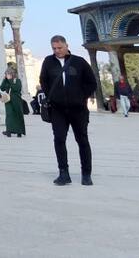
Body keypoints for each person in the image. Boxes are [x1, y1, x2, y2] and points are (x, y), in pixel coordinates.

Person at [39, 35, 97, 186]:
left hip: (78, 109)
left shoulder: (79, 62)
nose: (57, 51)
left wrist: (80, 96)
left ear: (66, 46)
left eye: (59, 48)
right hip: (58, 109)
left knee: (82, 140)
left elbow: (91, 82)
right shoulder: (48, 62)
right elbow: (43, 80)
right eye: (54, 48)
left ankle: (86, 174)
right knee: (59, 139)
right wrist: (54, 96)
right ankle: (63, 173)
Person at [0, 69, 25, 137]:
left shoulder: (17, 80)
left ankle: (19, 131)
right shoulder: (7, 81)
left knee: (17, 114)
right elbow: (2, 88)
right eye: (6, 74)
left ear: (12, 74)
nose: (6, 75)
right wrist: (4, 80)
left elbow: (16, 88)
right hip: (8, 100)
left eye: (7, 74)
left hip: (16, 99)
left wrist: (10, 80)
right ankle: (9, 130)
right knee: (9, 115)